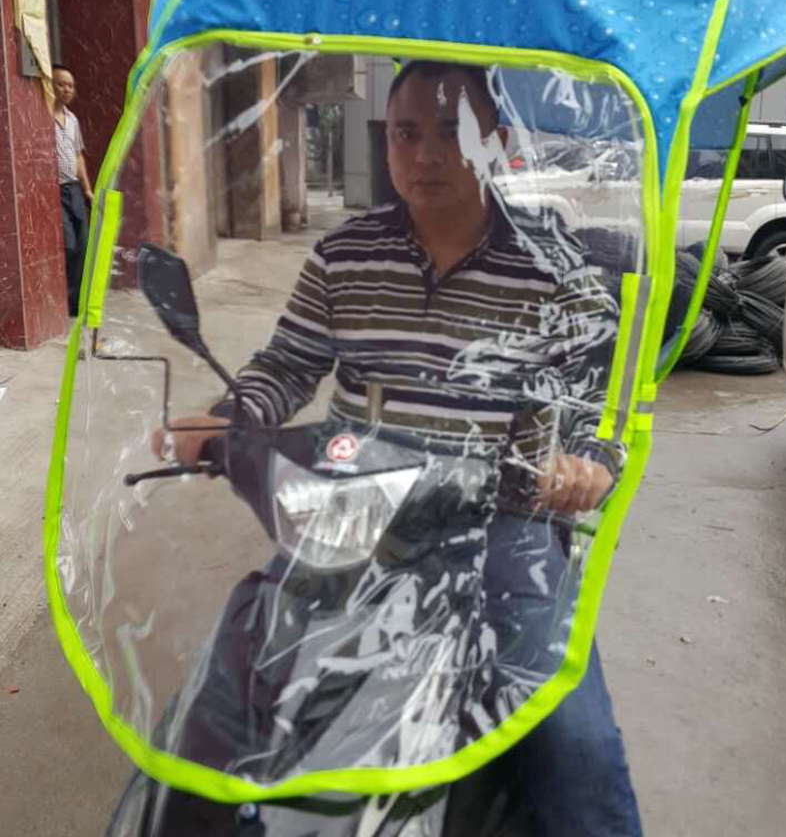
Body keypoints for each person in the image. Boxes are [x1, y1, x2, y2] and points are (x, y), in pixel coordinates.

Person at [153, 60, 643, 835]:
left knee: (569, 735)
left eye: (452, 133)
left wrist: (589, 466)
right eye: (407, 134)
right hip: (357, 510)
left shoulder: (557, 270)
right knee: (230, 688)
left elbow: (591, 410)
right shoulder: (345, 254)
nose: (425, 156)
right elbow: (288, 365)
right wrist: (225, 418)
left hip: (501, 524)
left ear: (498, 142)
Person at [53, 63, 93, 316]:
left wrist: (87, 190)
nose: (66, 89)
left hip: (74, 189)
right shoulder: (42, 116)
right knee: (67, 244)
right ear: (50, 86)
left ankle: (76, 304)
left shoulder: (72, 120)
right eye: (61, 84)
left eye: (70, 86)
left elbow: (78, 156)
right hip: (53, 191)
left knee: (82, 245)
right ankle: (61, 297)